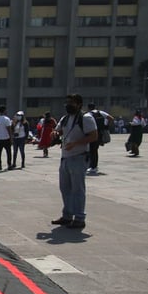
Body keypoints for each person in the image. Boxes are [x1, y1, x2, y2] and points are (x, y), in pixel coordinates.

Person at [51, 93, 98, 229]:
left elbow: (94, 136)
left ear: (79, 104)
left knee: (77, 189)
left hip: (79, 156)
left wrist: (76, 143)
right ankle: (67, 215)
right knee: (65, 188)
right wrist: (55, 133)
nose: (68, 105)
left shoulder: (86, 118)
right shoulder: (65, 118)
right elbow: (58, 130)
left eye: (71, 103)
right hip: (65, 157)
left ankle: (79, 218)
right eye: (67, 103)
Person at [87, 103, 114, 175]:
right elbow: (111, 118)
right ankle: (93, 165)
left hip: (91, 133)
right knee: (94, 150)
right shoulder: (100, 112)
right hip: (100, 133)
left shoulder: (88, 114)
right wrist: (106, 126)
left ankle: (93, 166)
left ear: (88, 108)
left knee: (91, 150)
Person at [0, 105, 13, 171]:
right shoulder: (7, 119)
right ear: (4, 110)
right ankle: (9, 165)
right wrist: (11, 138)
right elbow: (9, 129)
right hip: (6, 138)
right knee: (8, 152)